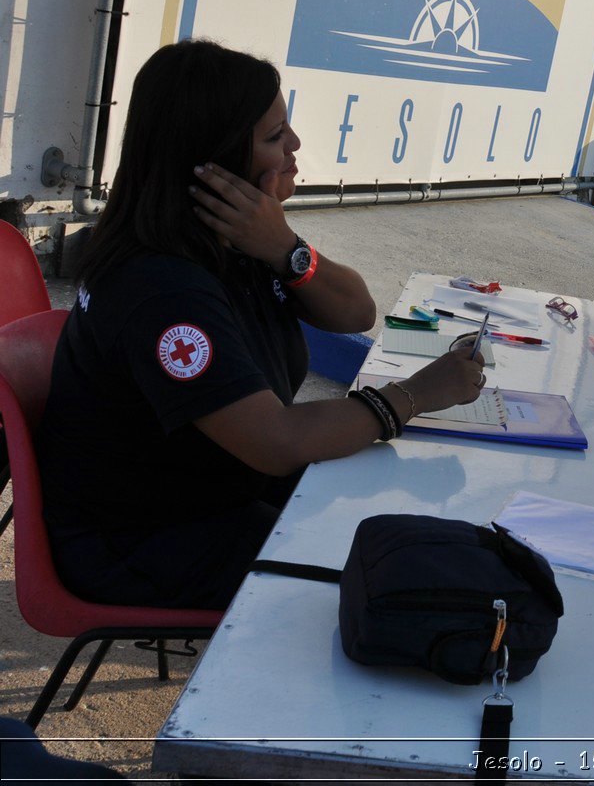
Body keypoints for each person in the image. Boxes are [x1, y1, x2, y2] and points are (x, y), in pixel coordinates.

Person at [38, 41, 485, 611]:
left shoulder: (236, 240)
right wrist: (417, 394)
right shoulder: (162, 289)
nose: (295, 145)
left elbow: (356, 313)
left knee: (409, 531)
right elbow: (277, 442)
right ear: (218, 158)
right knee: (399, 587)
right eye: (275, 136)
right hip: (143, 540)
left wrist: (288, 249)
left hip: (213, 493)